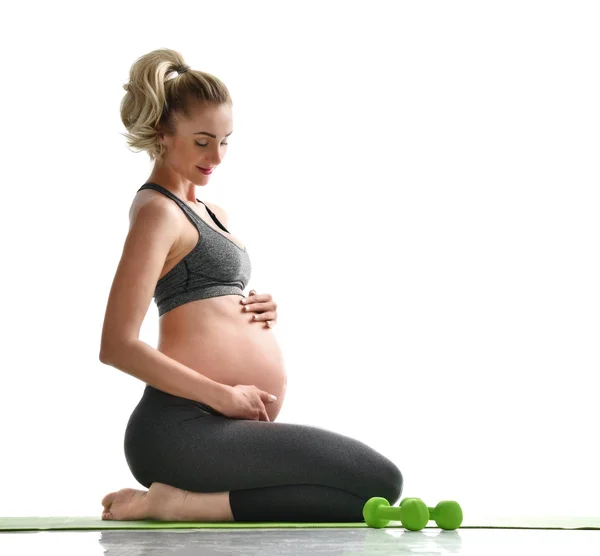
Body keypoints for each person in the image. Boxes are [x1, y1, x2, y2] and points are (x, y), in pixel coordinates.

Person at [99, 48, 403, 523]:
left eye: (225, 141)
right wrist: (224, 396)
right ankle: (174, 506)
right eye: (202, 141)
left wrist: (254, 308)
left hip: (222, 428)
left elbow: (202, 300)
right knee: (377, 480)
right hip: (180, 428)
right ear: (163, 136)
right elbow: (116, 345)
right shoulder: (157, 211)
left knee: (366, 496)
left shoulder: (212, 213)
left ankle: (182, 504)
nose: (216, 156)